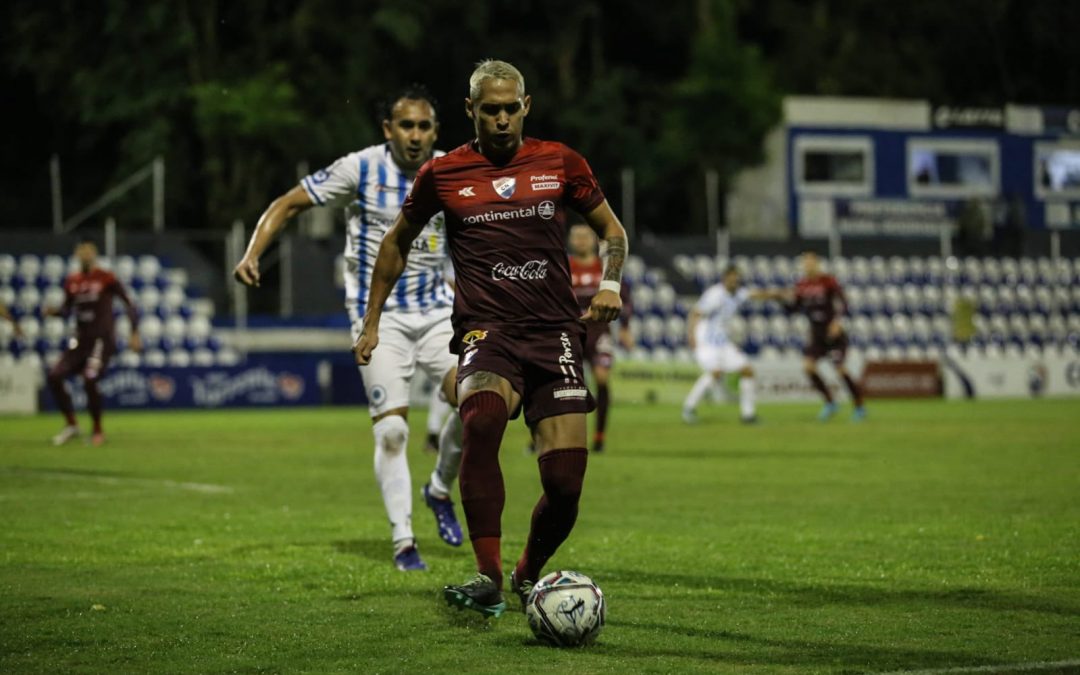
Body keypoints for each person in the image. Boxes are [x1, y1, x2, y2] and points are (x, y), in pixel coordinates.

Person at [354, 60, 628, 618]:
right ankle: (488, 574)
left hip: (554, 332)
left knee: (566, 482)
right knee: (479, 418)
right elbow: (396, 242)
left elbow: (612, 232)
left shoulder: (560, 161)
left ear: (526, 106)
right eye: (489, 110)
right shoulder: (443, 174)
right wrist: (372, 319)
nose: (501, 120)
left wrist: (612, 283)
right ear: (470, 111)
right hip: (488, 331)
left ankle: (528, 571)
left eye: (510, 109)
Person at [233, 85, 464, 572]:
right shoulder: (359, 169)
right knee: (394, 432)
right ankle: (404, 540)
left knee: (480, 403)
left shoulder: (451, 169)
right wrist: (254, 251)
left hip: (439, 311)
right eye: (406, 125)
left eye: (424, 126)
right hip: (377, 318)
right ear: (388, 130)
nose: (416, 135)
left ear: (436, 132)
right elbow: (290, 202)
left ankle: (440, 489)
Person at [46, 238, 141, 446]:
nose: (86, 255)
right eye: (82, 251)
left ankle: (98, 429)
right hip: (80, 341)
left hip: (102, 340)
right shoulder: (72, 281)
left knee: (90, 378)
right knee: (54, 376)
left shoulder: (106, 278)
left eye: (89, 251)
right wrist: (53, 313)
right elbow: (66, 310)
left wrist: (134, 332)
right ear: (77, 255)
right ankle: (72, 424)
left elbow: (129, 304)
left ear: (95, 255)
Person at [772, 252, 865, 421]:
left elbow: (843, 302)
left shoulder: (828, 281)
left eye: (811, 262)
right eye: (805, 263)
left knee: (840, 369)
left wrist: (837, 321)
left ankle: (859, 407)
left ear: (817, 264)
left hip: (832, 333)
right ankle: (830, 403)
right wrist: (780, 299)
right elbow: (794, 309)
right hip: (816, 334)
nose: (808, 265)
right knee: (808, 367)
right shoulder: (801, 285)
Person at [567, 223, 632, 452]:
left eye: (585, 236)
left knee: (602, 379)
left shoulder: (605, 268)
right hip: (570, 332)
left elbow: (623, 297)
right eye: (577, 236)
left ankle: (599, 436)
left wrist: (625, 327)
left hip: (599, 331)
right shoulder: (564, 267)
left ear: (594, 240)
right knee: (563, 386)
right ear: (571, 240)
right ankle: (544, 436)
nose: (581, 240)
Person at [682, 264, 763, 424]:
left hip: (723, 342)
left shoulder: (738, 293)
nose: (734, 281)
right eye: (731, 278)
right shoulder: (715, 294)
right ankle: (689, 408)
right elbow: (696, 312)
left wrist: (779, 294)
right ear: (724, 279)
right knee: (715, 372)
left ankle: (748, 414)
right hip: (707, 341)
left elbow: (755, 294)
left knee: (747, 370)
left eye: (736, 278)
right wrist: (691, 336)